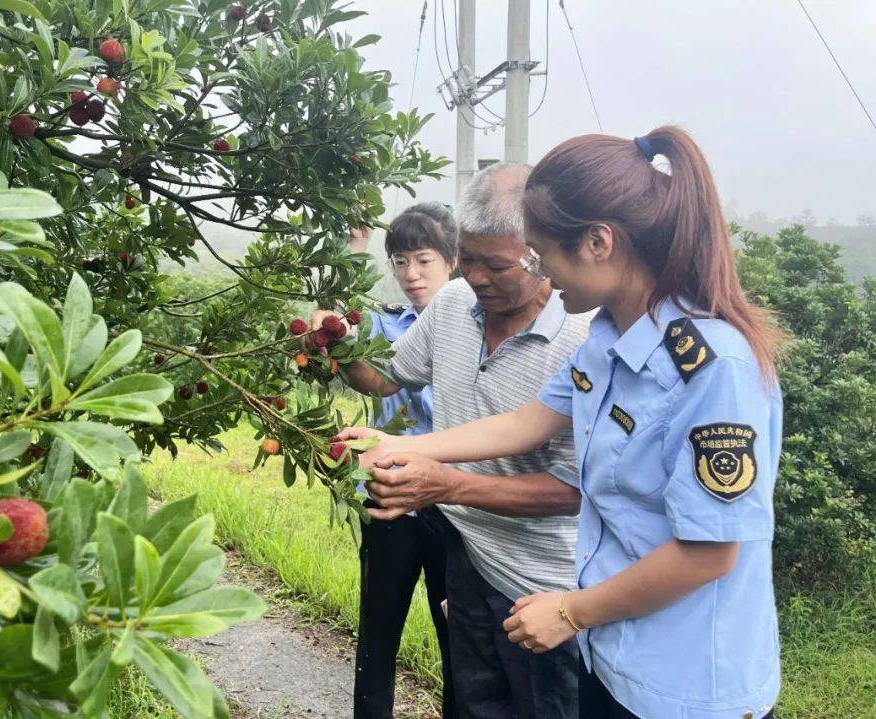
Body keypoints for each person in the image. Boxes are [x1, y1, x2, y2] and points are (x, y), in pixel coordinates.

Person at [339, 127, 782, 719]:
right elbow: (527, 422)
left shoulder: (712, 368)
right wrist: (394, 443)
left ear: (599, 243)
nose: (542, 271)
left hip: (687, 683)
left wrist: (573, 611)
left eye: (541, 253)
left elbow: (708, 554)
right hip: (612, 655)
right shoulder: (608, 337)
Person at [315, 163, 590, 719]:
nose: (477, 277)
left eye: (496, 264)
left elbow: (574, 491)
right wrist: (341, 348)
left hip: (542, 585)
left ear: (540, 254)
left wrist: (442, 484)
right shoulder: (452, 306)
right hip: (469, 558)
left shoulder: (581, 339)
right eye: (468, 258)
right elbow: (388, 376)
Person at [343, 203, 458, 719]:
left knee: (460, 643)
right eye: (400, 262)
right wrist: (355, 250)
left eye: (424, 260)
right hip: (390, 506)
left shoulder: (474, 329)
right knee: (377, 636)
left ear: (452, 262)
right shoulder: (384, 326)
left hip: (455, 509)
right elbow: (339, 333)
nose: (411, 275)